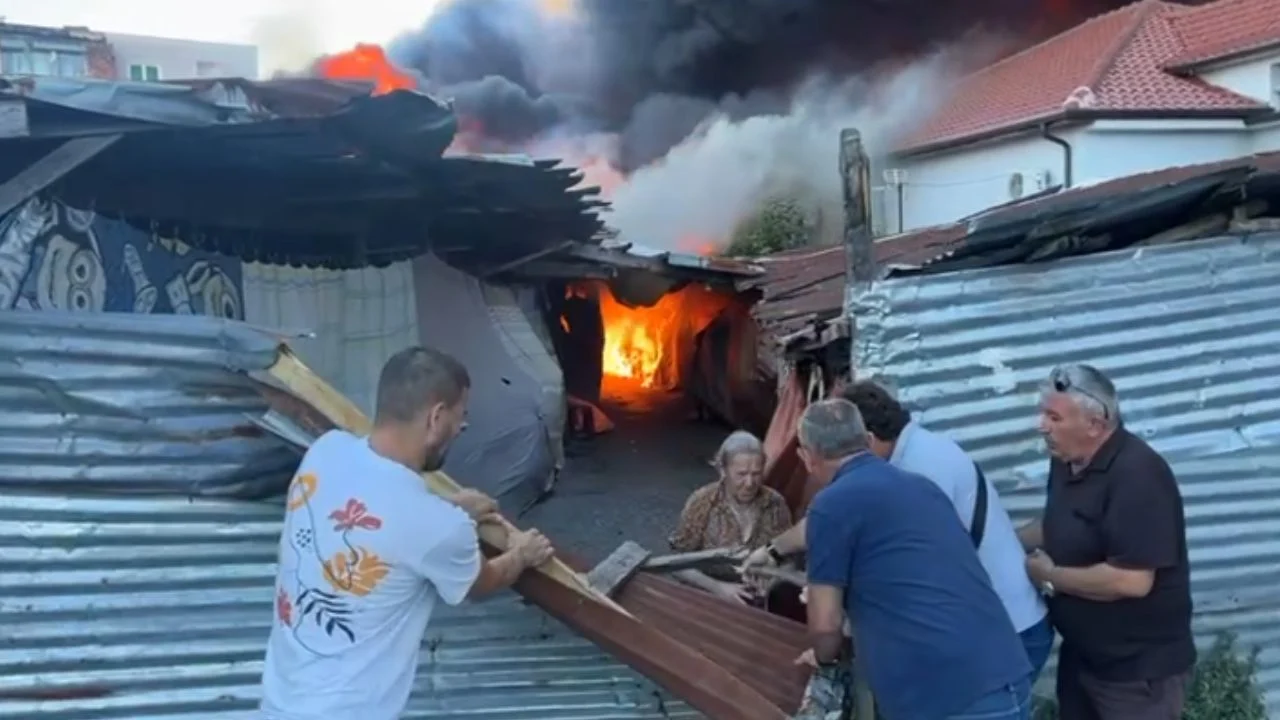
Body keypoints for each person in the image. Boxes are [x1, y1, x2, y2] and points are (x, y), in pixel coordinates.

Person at [260, 346, 556, 720]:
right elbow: (481, 583)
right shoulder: (437, 527)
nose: (461, 428)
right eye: (460, 416)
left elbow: (387, 519)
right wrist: (523, 553)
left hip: (280, 702)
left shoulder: (326, 451)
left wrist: (452, 509)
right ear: (435, 417)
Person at [798, 399, 1033, 720]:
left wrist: (826, 664)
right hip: (1002, 671)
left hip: (942, 691)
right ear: (867, 440)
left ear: (807, 457)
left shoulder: (830, 506)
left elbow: (826, 625)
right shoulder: (922, 486)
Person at [838, 380, 1053, 679]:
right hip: (1001, 626)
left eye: (845, 453)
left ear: (870, 440)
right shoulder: (918, 452)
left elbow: (916, 565)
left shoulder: (919, 469)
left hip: (1008, 633)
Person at [1019, 364, 1194, 720]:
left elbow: (1131, 580)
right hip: (1084, 657)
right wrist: (999, 540)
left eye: (1054, 417)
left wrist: (1049, 575)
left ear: (1095, 425)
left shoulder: (1138, 476)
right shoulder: (1067, 461)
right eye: (1043, 414)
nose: (1042, 426)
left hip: (1136, 673)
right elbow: (1058, 524)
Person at [668, 430, 793, 604]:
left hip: (759, 602)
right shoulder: (703, 503)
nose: (750, 483)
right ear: (723, 470)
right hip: (708, 600)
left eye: (756, 474)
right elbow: (676, 564)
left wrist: (773, 583)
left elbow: (790, 559)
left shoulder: (775, 504)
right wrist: (718, 588)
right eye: (741, 474)